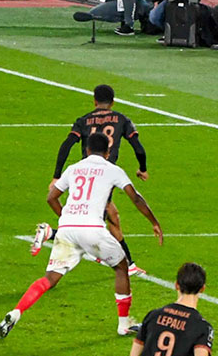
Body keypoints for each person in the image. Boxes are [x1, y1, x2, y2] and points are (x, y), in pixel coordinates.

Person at [0, 132, 164, 339]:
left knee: (50, 278)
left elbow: (51, 197)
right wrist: (154, 222)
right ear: (108, 152)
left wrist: (67, 217)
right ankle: (124, 324)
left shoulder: (73, 168)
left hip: (67, 229)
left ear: (87, 150)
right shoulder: (113, 169)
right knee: (122, 267)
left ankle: (17, 311)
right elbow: (136, 198)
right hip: (93, 229)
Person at [48, 84, 150, 275]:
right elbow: (138, 148)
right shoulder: (122, 119)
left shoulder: (84, 120)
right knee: (101, 219)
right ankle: (51, 233)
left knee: (112, 216)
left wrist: (56, 175)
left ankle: (128, 264)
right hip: (105, 174)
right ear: (113, 102)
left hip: (85, 173)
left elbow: (67, 145)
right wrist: (142, 168)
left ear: (94, 101)